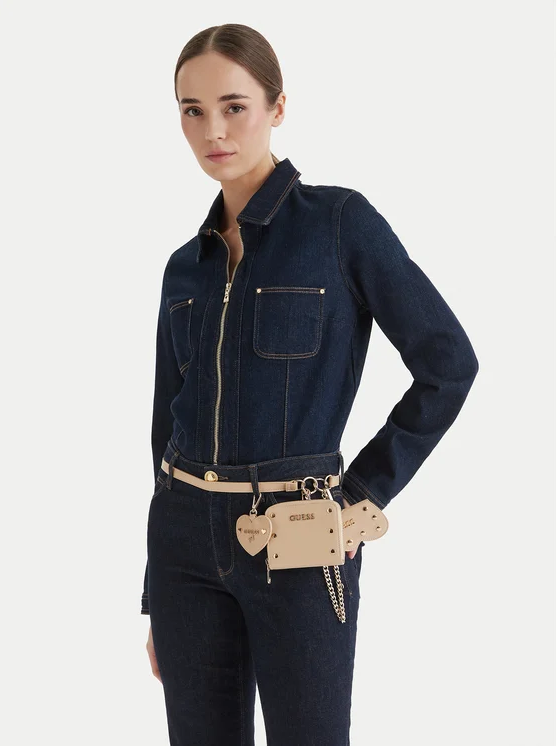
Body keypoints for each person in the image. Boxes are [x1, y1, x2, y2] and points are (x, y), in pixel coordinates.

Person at [141, 23, 479, 746]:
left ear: (278, 106)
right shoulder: (184, 267)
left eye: (234, 106)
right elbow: (165, 427)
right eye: (193, 110)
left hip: (298, 542)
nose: (213, 130)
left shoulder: (339, 224)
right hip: (183, 550)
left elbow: (449, 364)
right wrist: (154, 594)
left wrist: (359, 496)